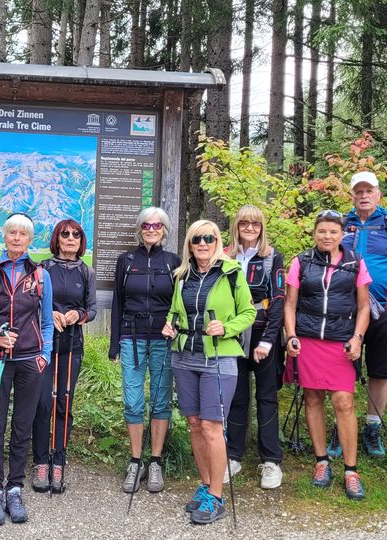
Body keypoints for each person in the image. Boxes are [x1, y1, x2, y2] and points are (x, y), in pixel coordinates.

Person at [162, 219, 256, 525]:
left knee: (212, 426)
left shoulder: (232, 273)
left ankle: (216, 496)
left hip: (219, 356)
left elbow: (249, 312)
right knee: (194, 423)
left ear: (218, 242)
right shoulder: (182, 276)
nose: (203, 244)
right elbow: (175, 312)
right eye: (197, 239)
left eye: (209, 238)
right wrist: (169, 324)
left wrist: (226, 327)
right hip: (184, 356)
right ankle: (205, 485)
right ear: (189, 245)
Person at [283, 210, 371, 501]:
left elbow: (363, 306)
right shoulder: (301, 261)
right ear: (314, 233)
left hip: (341, 341)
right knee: (312, 398)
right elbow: (290, 304)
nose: (327, 236)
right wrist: (291, 335)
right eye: (322, 231)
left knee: (344, 401)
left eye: (333, 231)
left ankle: (351, 470)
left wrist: (357, 338)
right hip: (308, 340)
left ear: (342, 234)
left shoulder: (355, 262)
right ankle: (321, 461)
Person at [0, 213, 53, 526]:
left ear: (30, 239)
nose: (17, 238)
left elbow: (47, 322)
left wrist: (44, 355)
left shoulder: (41, 275)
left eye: (23, 234)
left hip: (29, 359)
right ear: (4, 237)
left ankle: (15, 488)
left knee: (22, 424)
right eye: (12, 233)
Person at [339, 171, 387, 458]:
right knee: (343, 370)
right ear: (351, 196)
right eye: (358, 191)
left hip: (385, 308)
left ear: (378, 194)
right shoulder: (341, 224)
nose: (364, 196)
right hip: (346, 309)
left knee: (380, 371)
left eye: (368, 191)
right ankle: (341, 426)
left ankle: (372, 428)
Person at [111, 207, 180, 496]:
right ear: (140, 230)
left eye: (157, 225)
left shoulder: (174, 262)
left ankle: (155, 462)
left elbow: (180, 303)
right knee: (133, 401)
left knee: (161, 401)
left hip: (163, 339)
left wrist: (175, 326)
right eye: (146, 225)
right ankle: (135, 461)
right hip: (132, 337)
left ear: (164, 230)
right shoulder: (126, 261)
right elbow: (118, 302)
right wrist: (114, 343)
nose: (152, 229)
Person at [32, 219, 97, 494]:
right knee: (43, 402)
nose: (71, 238)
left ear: (81, 240)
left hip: (72, 344)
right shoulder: (43, 268)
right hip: (44, 344)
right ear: (56, 239)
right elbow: (31, 302)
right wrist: (50, 313)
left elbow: (92, 309)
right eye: (65, 234)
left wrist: (78, 315)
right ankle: (40, 461)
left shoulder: (86, 271)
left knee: (64, 402)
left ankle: (59, 458)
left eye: (76, 234)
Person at [224, 204, 286, 489]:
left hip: (262, 334)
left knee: (266, 396)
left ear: (262, 228)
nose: (250, 228)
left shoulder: (272, 257)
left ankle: (271, 460)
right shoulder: (224, 256)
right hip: (233, 336)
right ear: (236, 226)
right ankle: (232, 455)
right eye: (244, 223)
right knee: (236, 396)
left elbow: (279, 300)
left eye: (255, 224)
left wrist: (268, 340)